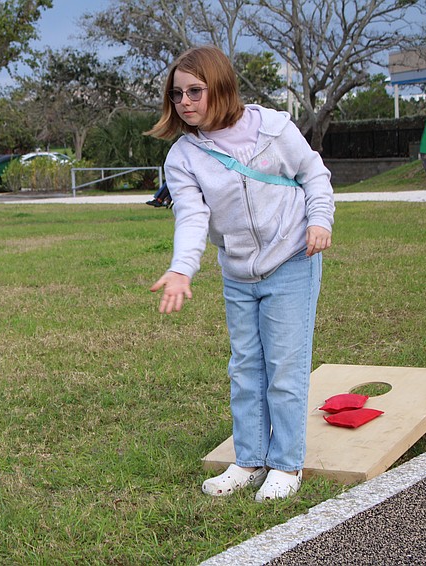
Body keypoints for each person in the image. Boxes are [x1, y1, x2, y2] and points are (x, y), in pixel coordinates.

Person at [146, 45, 334, 501]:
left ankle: (287, 466)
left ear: (221, 87)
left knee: (285, 370)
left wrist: (319, 220)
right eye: (177, 95)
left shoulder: (272, 129)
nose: (185, 102)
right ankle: (249, 460)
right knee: (246, 368)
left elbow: (313, 174)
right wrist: (181, 269)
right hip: (238, 275)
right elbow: (191, 217)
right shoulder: (184, 157)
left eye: (195, 91)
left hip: (292, 260)